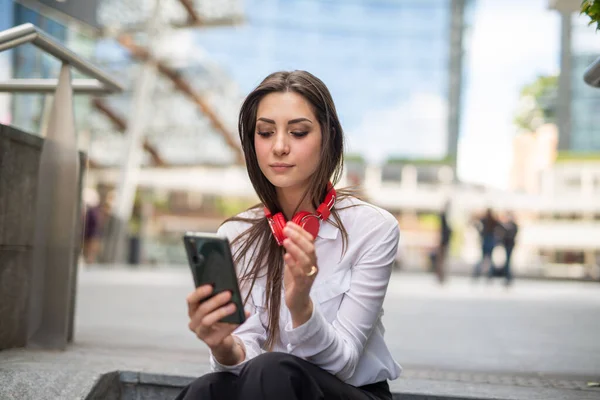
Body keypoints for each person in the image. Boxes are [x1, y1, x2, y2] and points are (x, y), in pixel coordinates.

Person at [176, 71, 400, 400]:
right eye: (265, 132)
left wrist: (301, 307)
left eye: (297, 132)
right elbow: (245, 361)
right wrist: (223, 346)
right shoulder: (235, 233)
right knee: (207, 388)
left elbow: (344, 363)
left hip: (349, 392)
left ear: (328, 138)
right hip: (266, 386)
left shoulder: (373, 228)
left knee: (271, 370)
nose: (279, 147)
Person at [472, 208, 500, 280]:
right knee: (488, 259)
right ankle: (488, 275)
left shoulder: (486, 220)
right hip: (489, 240)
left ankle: (478, 274)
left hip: (487, 240)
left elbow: (477, 225)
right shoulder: (492, 221)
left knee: (484, 258)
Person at [434, 200, 452, 284]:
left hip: (444, 241)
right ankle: (440, 276)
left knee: (442, 260)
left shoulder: (445, 218)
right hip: (443, 241)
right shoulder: (444, 218)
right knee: (441, 260)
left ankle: (441, 276)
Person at [499, 212, 518, 286]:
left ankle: (508, 277)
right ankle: (507, 277)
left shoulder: (514, 226)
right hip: (506, 245)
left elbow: (513, 235)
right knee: (507, 261)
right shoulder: (505, 225)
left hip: (510, 245)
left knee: (508, 262)